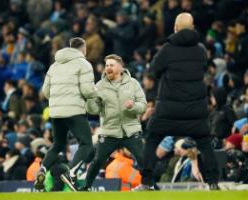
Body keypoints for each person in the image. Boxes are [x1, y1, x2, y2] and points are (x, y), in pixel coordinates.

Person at [134, 13, 219, 191]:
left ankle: (147, 181)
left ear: (175, 27)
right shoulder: (201, 50)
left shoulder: (167, 49)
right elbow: (205, 69)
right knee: (204, 142)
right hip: (195, 111)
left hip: (168, 111)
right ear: (193, 27)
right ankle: (212, 182)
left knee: (151, 139)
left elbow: (152, 73)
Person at [35, 37, 97, 191]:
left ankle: (43, 168)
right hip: (75, 110)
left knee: (58, 144)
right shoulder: (84, 64)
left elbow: (45, 91)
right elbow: (88, 90)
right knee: (86, 143)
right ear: (83, 49)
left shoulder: (54, 65)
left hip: (56, 111)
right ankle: (71, 173)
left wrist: (58, 100)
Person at [78, 54, 147, 191]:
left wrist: (133, 107)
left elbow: (143, 105)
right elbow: (94, 110)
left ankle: (148, 185)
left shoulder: (133, 83)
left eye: (111, 65)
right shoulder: (99, 86)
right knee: (98, 160)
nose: (108, 68)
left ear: (121, 68)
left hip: (130, 129)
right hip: (109, 131)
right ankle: (86, 186)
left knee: (142, 158)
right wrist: (90, 100)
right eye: (107, 65)